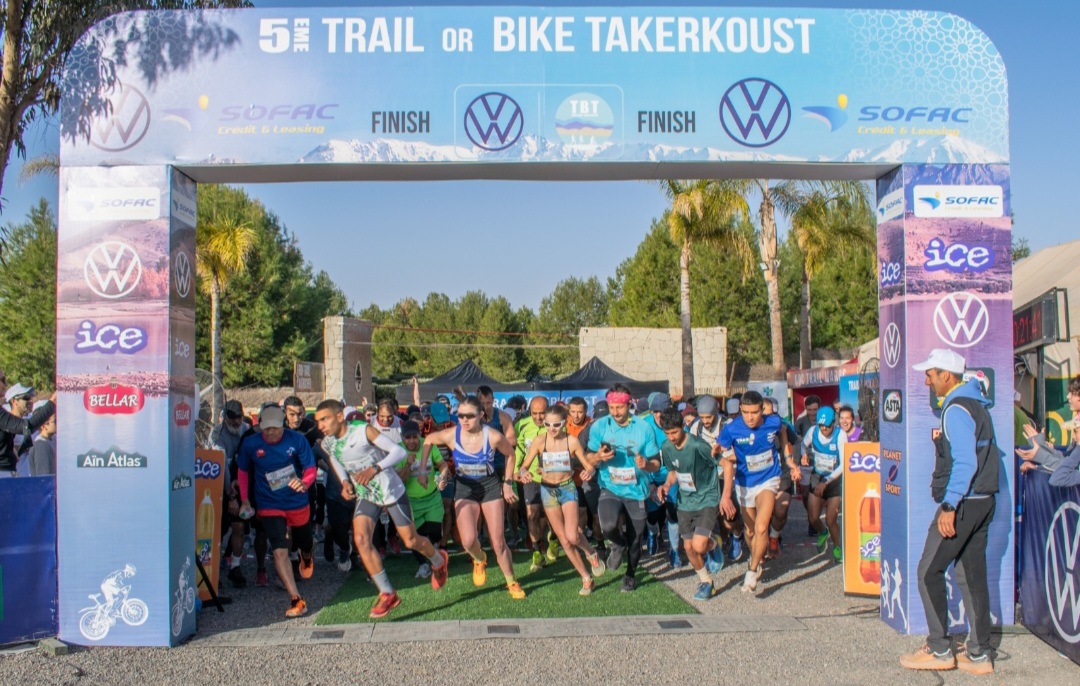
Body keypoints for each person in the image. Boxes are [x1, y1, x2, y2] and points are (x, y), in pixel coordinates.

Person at [900, 349, 998, 675]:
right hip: (984, 500)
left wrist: (949, 505)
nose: (926, 379)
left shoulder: (955, 408)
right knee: (971, 577)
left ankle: (940, 649)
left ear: (947, 376)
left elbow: (966, 462)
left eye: (930, 373)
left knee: (928, 571)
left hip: (966, 502)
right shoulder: (976, 403)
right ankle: (980, 654)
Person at [315, 400, 449, 619]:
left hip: (390, 490)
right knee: (360, 539)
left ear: (339, 416)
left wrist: (375, 468)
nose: (320, 425)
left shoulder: (363, 431)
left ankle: (438, 560)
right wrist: (345, 482)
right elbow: (335, 458)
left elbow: (398, 453)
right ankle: (387, 592)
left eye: (325, 419)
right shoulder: (328, 442)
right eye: (318, 421)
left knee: (411, 540)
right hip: (367, 495)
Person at [423, 396, 526, 599]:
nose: (464, 419)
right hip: (465, 487)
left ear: (480, 415)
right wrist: (422, 469)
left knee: (498, 542)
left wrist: (507, 484)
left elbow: (511, 454)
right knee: (468, 541)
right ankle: (479, 559)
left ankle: (511, 581)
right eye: (460, 415)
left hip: (489, 487)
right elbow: (428, 440)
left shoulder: (493, 436)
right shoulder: (452, 434)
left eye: (470, 415)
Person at [236, 405, 317, 618]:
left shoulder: (296, 440)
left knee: (304, 541)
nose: (270, 432)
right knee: (279, 549)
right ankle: (296, 599)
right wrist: (245, 500)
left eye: (275, 428)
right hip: (269, 503)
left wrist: (305, 482)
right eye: (266, 428)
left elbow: (310, 467)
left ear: (283, 425)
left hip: (297, 501)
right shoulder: (251, 443)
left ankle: (307, 555)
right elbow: (243, 471)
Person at [518, 404, 607, 595]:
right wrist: (523, 474)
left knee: (573, 535)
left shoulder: (572, 442)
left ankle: (591, 552)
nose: (551, 429)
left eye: (556, 425)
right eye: (548, 425)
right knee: (565, 542)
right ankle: (586, 578)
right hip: (548, 491)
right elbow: (523, 467)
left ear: (564, 423)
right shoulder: (539, 441)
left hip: (567, 489)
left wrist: (587, 473)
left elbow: (589, 466)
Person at [584, 383, 662, 592]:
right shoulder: (600, 426)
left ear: (629, 405)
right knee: (608, 526)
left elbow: (656, 463)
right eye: (612, 407)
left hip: (637, 489)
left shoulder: (643, 428)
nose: (616, 412)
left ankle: (630, 575)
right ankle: (617, 544)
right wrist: (598, 457)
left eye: (620, 407)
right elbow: (588, 458)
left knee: (636, 540)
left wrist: (646, 464)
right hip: (610, 487)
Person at [718, 390, 798, 594]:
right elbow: (721, 450)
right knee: (751, 530)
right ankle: (756, 556)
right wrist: (720, 453)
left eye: (754, 412)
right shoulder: (732, 428)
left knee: (762, 528)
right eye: (745, 412)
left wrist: (789, 460)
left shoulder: (773, 422)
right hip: (745, 483)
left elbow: (783, 434)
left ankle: (751, 571)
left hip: (768, 479)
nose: (750, 417)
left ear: (762, 410)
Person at [656, 407, 724, 599]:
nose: (671, 437)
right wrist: (666, 486)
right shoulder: (667, 447)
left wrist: (725, 496)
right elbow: (672, 472)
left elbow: (724, 463)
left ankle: (712, 544)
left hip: (707, 498)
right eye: (667, 433)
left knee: (699, 545)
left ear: (683, 427)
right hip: (685, 502)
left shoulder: (697, 445)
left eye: (675, 432)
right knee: (688, 548)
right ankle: (706, 582)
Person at [689, 395, 744, 562]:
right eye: (702, 417)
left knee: (729, 518)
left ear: (716, 413)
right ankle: (713, 544)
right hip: (706, 477)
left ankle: (737, 535)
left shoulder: (729, 426)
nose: (705, 421)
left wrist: (722, 454)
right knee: (705, 514)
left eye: (709, 417)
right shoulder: (696, 427)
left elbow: (740, 453)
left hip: (727, 474)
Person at [398, 420, 448, 579]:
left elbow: (442, 465)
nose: (412, 441)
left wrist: (441, 477)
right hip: (411, 501)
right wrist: (407, 464)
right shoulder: (398, 451)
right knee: (413, 537)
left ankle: (432, 552)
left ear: (420, 435)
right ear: (402, 437)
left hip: (432, 497)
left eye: (415, 437)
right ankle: (423, 565)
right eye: (408, 438)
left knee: (435, 533)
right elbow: (399, 480)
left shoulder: (428, 445)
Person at [801, 407, 847, 562]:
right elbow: (802, 445)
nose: (824, 429)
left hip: (834, 480)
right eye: (822, 426)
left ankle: (837, 547)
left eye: (827, 425)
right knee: (813, 518)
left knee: (830, 519)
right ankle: (822, 532)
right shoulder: (813, 432)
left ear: (833, 423)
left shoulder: (840, 435)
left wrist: (827, 482)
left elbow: (843, 464)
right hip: (817, 476)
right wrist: (804, 456)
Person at [516, 396, 554, 571]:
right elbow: (517, 450)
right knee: (532, 515)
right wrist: (517, 471)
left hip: (552, 478)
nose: (539, 417)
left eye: (542, 413)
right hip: (530, 478)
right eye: (534, 413)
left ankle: (552, 539)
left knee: (549, 515)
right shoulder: (522, 425)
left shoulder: (556, 426)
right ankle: (537, 554)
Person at [762, 396, 798, 559]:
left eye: (771, 414)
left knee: (780, 509)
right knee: (763, 513)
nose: (768, 418)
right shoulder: (751, 428)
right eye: (764, 414)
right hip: (761, 475)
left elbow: (794, 444)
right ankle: (760, 544)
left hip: (781, 472)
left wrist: (794, 465)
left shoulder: (783, 426)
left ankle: (774, 537)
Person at [0, 379, 55, 477]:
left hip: (15, 476)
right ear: (14, 401)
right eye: (26, 397)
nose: (30, 400)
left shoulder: (24, 418)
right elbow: (27, 427)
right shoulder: (6, 420)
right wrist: (52, 403)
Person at [28, 410, 56, 476]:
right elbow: (43, 476)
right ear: (43, 426)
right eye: (55, 421)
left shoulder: (52, 439)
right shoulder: (41, 445)